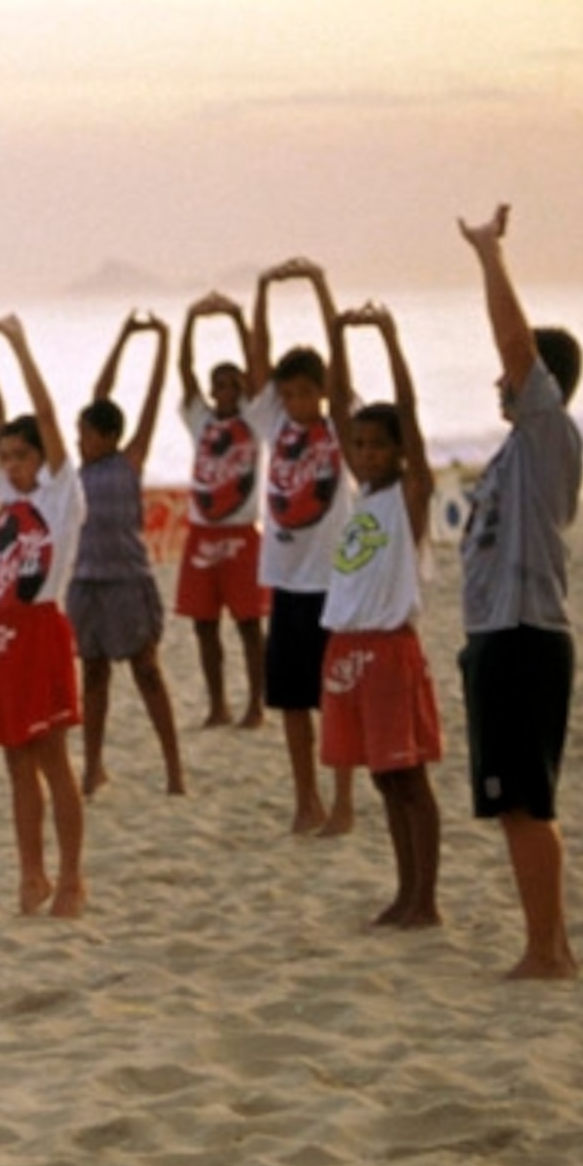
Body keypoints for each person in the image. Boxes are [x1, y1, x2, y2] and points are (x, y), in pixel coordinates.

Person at [452, 204, 583, 980]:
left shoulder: (547, 433)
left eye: (516, 373)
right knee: (517, 803)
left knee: (526, 802)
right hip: (500, 640)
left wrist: (489, 256)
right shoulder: (517, 452)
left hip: (527, 636)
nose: (500, 378)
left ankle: (548, 950)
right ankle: (549, 945)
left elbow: (514, 342)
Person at [317, 301, 445, 930]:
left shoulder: (407, 498)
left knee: (410, 779)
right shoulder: (363, 499)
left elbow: (411, 417)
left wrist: (390, 336)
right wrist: (337, 333)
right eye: (359, 446)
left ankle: (427, 899)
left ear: (398, 454)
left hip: (391, 649)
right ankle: (405, 894)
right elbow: (338, 405)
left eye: (377, 445)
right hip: (348, 649)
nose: (364, 453)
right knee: (383, 782)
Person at [0, 315, 86, 918]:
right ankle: (29, 875)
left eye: (21, 456)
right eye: (6, 457)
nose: (12, 465)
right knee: (15, 759)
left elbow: (46, 415)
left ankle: (71, 878)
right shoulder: (8, 495)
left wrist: (16, 345)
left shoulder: (60, 493)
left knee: (52, 759)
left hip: (41, 628)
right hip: (2, 630)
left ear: (43, 457)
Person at [257, 260, 358, 837]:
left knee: (334, 697)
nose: (295, 402)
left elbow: (339, 366)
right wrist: (263, 291)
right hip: (286, 582)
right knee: (292, 700)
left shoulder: (339, 427)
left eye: (304, 393)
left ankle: (343, 801)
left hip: (329, 581)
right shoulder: (277, 427)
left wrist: (321, 286)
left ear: (321, 393)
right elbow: (257, 356)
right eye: (287, 394)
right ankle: (306, 800)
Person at [68, 312, 187, 798]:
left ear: (106, 436)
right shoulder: (80, 469)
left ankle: (174, 770)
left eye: (86, 433)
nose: (79, 439)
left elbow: (154, 398)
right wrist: (122, 335)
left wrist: (160, 341)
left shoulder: (128, 459)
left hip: (126, 582)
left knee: (147, 672)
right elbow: (103, 385)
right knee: (93, 676)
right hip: (87, 582)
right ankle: (93, 768)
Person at [176, 292, 279, 727]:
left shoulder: (254, 421)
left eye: (231, 385)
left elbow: (259, 367)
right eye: (217, 385)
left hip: (240, 533)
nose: (223, 392)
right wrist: (190, 319)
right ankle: (217, 704)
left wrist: (238, 318)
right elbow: (183, 373)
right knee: (203, 624)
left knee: (249, 624)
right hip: (202, 533)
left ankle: (256, 703)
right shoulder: (202, 421)